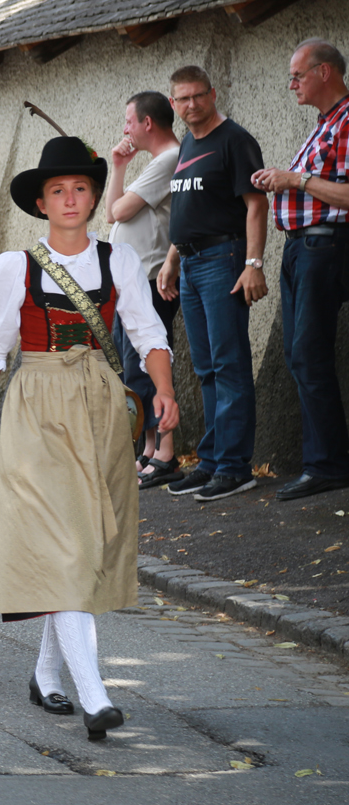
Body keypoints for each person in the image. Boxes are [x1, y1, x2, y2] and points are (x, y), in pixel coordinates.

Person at [0, 135, 177, 742]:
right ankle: (95, 695)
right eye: (58, 190)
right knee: (66, 549)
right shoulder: (15, 266)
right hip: (37, 409)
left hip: (102, 409)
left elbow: (147, 330)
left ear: (92, 195)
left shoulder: (120, 261)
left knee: (84, 545)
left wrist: (164, 391)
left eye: (80, 188)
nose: (71, 199)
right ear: (42, 202)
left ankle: (46, 671)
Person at [156, 65, 268, 502]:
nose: (191, 105)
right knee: (205, 369)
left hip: (224, 259)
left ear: (213, 93)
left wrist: (253, 262)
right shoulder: (187, 142)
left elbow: (255, 206)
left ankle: (236, 468)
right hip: (188, 263)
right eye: (182, 99)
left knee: (229, 364)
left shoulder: (235, 140)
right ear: (173, 104)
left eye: (198, 96)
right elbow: (186, 208)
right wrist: (171, 260)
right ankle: (211, 462)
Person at [250, 38, 349, 501]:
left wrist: (294, 179)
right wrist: (280, 179)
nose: (291, 84)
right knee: (299, 355)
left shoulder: (346, 119)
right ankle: (323, 462)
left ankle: (327, 465)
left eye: (297, 75)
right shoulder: (325, 123)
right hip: (301, 249)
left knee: (309, 355)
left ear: (325, 72)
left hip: (323, 249)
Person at [105, 93, 182, 488]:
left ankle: (166, 453)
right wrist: (118, 166)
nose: (125, 129)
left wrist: (121, 181)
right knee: (135, 369)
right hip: (132, 281)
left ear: (147, 123)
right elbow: (109, 212)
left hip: (152, 279)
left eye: (128, 121)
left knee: (152, 366)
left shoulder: (169, 158)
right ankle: (149, 450)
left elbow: (119, 211)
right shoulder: (153, 164)